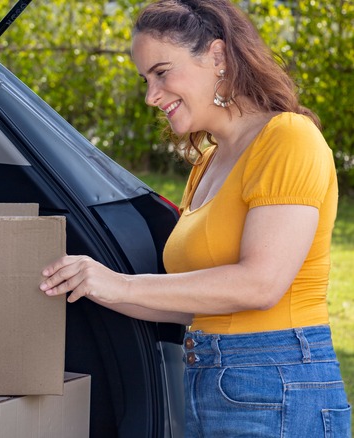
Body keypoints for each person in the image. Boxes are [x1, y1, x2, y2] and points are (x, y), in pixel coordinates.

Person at [39, 0, 351, 436]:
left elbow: (261, 283)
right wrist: (87, 281)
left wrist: (123, 283)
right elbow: (186, 303)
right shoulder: (208, 163)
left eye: (162, 72)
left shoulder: (288, 138)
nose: (151, 95)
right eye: (145, 79)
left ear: (218, 58)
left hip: (279, 383)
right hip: (209, 380)